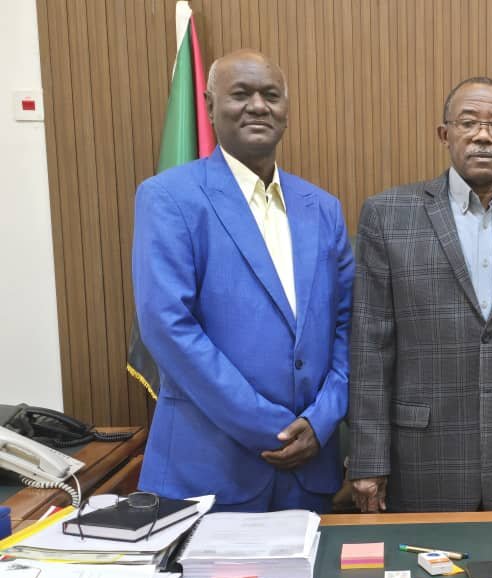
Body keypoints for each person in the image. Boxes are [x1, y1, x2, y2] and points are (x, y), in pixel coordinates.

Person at [132, 50, 353, 512]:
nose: (257, 106)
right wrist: (270, 427)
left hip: (310, 471)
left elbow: (348, 325)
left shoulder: (322, 208)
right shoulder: (169, 198)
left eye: (270, 95)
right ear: (210, 106)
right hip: (209, 473)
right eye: (241, 94)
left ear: (286, 109)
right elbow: (167, 325)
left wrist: (322, 419)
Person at [349, 77, 492, 513]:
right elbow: (370, 350)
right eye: (469, 122)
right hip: (422, 455)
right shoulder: (388, 214)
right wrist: (368, 460)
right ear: (445, 134)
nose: (483, 135)